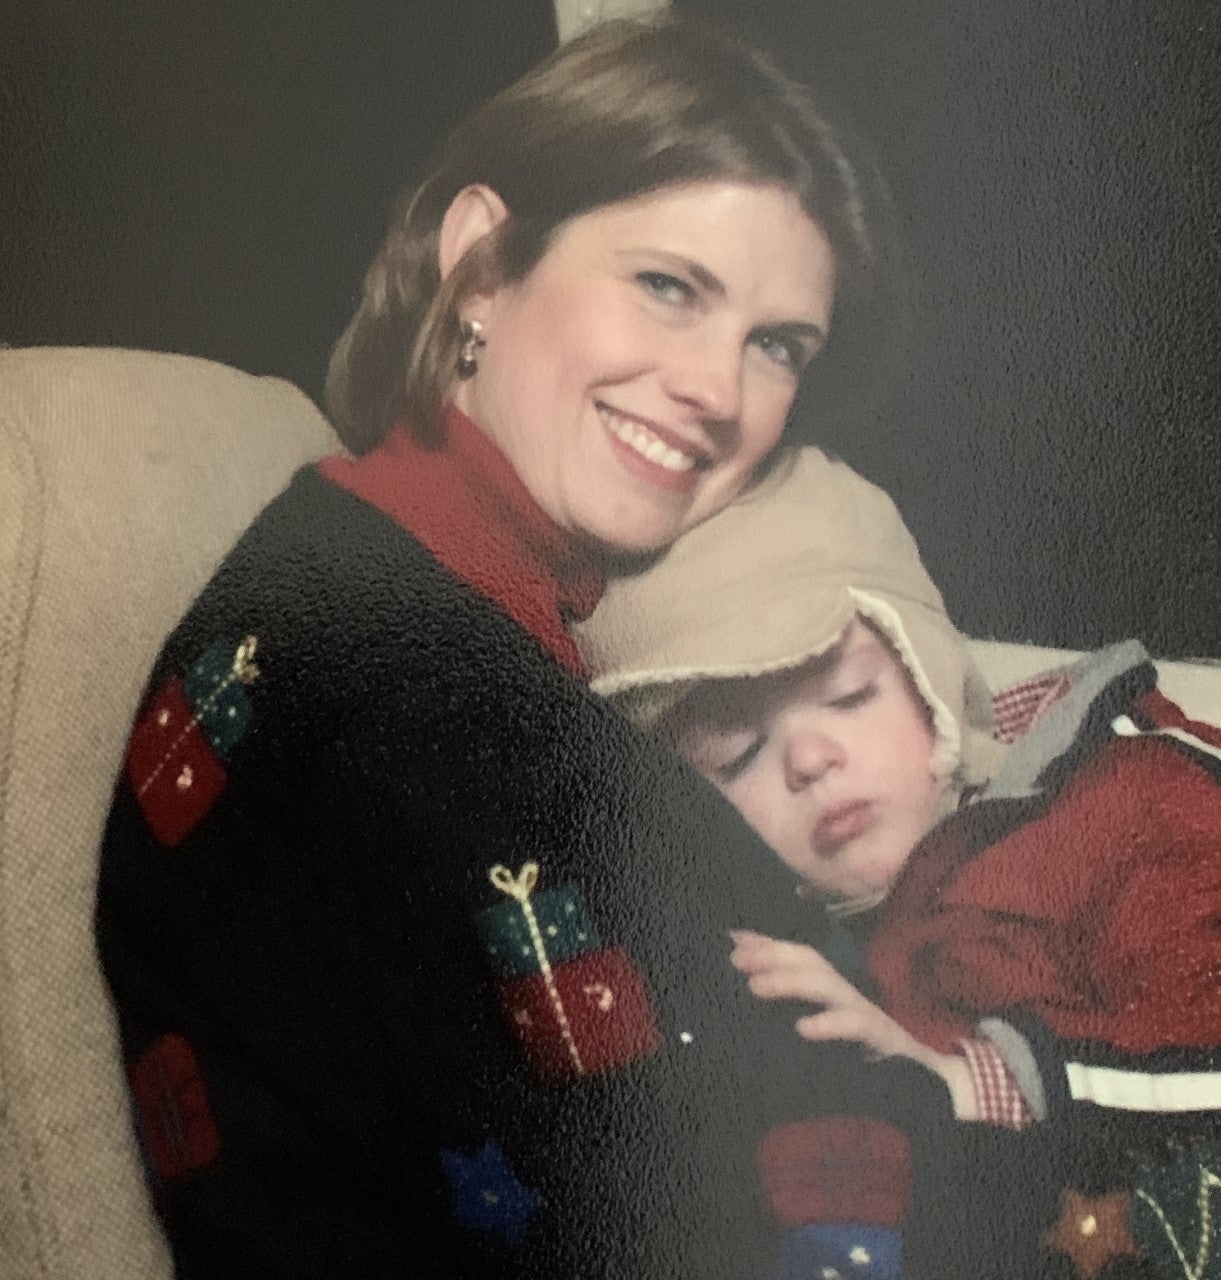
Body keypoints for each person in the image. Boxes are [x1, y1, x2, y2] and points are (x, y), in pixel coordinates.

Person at [95, 16, 914, 1280]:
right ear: (479, 263)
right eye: (669, 285)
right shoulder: (408, 704)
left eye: (777, 345)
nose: (720, 391)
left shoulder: (360, 561)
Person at [577, 444, 1221, 1277]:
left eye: (848, 696)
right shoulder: (820, 940)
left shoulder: (1130, 790)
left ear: (931, 680)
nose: (809, 757)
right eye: (736, 756)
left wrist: (965, 1082)